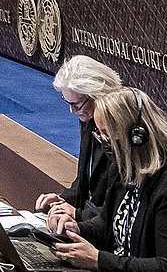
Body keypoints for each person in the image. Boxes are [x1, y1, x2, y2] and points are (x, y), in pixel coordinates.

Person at [47, 88, 167, 272]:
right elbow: (106, 225)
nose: (103, 142)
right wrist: (75, 228)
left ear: (137, 135)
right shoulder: (124, 169)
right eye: (100, 134)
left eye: (107, 134)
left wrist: (99, 260)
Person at [36, 55, 123, 232]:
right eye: (68, 103)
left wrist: (78, 214)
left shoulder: (121, 132)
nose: (72, 111)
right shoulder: (88, 117)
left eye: (76, 104)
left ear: (96, 96)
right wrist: (63, 200)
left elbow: (121, 207)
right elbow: (86, 181)